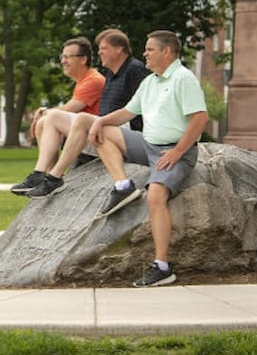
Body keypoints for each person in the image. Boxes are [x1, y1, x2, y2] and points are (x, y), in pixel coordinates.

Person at [89, 30, 208, 287]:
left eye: (150, 49)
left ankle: (162, 266)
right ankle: (123, 186)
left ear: (166, 51)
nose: (144, 54)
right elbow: (127, 112)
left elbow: (200, 118)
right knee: (105, 134)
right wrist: (100, 122)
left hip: (176, 150)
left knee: (155, 197)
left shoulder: (183, 78)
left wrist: (177, 152)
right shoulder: (151, 81)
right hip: (148, 145)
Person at [24, 29, 150, 199]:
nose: (98, 53)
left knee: (70, 118)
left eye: (103, 48)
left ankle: (54, 177)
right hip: (106, 129)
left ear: (119, 49)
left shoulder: (135, 70)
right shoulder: (111, 74)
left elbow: (143, 110)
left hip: (126, 134)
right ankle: (41, 174)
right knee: (51, 118)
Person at [10, 37, 105, 196]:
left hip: (95, 138)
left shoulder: (93, 80)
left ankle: (45, 175)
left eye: (68, 57)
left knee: (50, 118)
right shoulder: (83, 81)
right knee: (46, 120)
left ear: (83, 59)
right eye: (62, 57)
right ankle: (47, 175)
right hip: (82, 135)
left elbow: (67, 111)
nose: (63, 61)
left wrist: (44, 112)